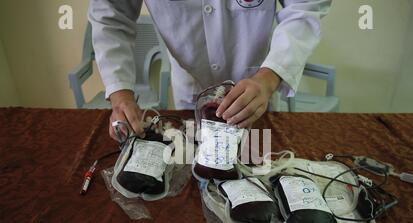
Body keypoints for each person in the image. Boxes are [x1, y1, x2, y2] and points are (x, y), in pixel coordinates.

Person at [89, 0, 331, 140]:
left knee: (256, 167)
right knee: (193, 166)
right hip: (190, 84)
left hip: (256, 85)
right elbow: (111, 16)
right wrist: (120, 94)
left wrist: (269, 77)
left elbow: (304, 9)